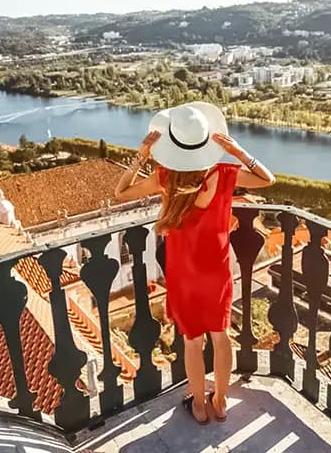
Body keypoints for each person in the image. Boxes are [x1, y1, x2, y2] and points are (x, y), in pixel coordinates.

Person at [114, 102, 274, 425]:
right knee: (221, 336)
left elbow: (121, 192)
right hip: (215, 270)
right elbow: (267, 179)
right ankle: (221, 400)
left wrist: (142, 154)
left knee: (192, 342)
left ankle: (199, 405)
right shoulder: (225, 175)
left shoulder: (165, 178)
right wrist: (239, 150)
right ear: (206, 144)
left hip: (183, 274)